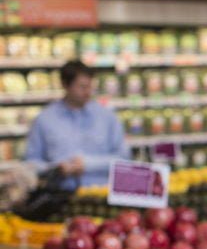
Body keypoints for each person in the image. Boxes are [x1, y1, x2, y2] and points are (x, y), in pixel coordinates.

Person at [24, 59, 129, 190]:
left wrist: (88, 164)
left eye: (90, 86)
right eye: (82, 87)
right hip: (59, 195)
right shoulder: (44, 119)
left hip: (102, 194)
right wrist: (56, 168)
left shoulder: (107, 117)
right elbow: (31, 162)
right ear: (65, 85)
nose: (88, 92)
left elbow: (124, 158)